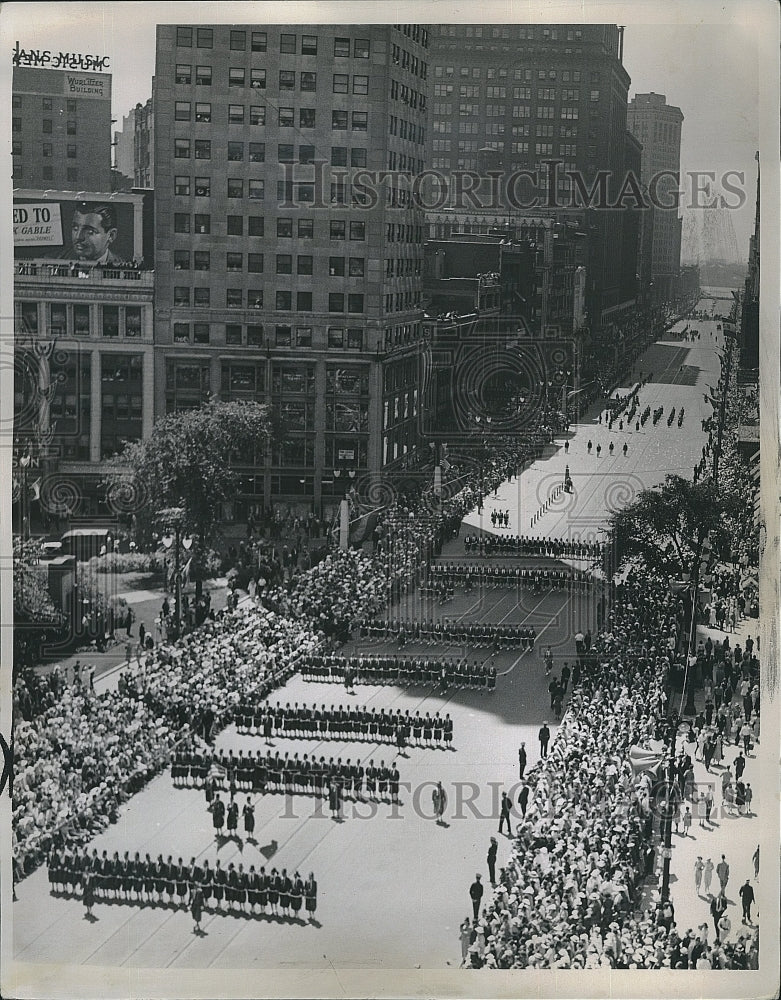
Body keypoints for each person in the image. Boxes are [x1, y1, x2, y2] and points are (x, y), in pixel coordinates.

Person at [57, 202, 122, 265]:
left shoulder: (123, 268)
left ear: (111, 235)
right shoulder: (53, 262)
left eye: (90, 232)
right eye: (75, 229)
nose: (78, 237)